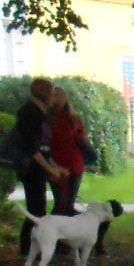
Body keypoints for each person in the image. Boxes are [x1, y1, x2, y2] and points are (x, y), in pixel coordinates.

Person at [14, 78, 67, 258]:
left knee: (39, 209)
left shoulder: (40, 112)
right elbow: (32, 148)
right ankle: (26, 251)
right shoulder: (29, 112)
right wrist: (50, 169)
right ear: (44, 93)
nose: (53, 97)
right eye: (51, 93)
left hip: (38, 169)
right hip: (31, 169)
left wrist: (55, 166)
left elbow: (44, 148)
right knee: (35, 211)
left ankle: (33, 251)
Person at [47, 86, 91, 217]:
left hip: (75, 164)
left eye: (61, 95)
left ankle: (68, 228)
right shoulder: (47, 118)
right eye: (55, 95)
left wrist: (83, 140)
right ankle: (53, 227)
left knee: (69, 205)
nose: (58, 98)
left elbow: (84, 138)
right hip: (56, 165)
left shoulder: (74, 118)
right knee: (60, 204)